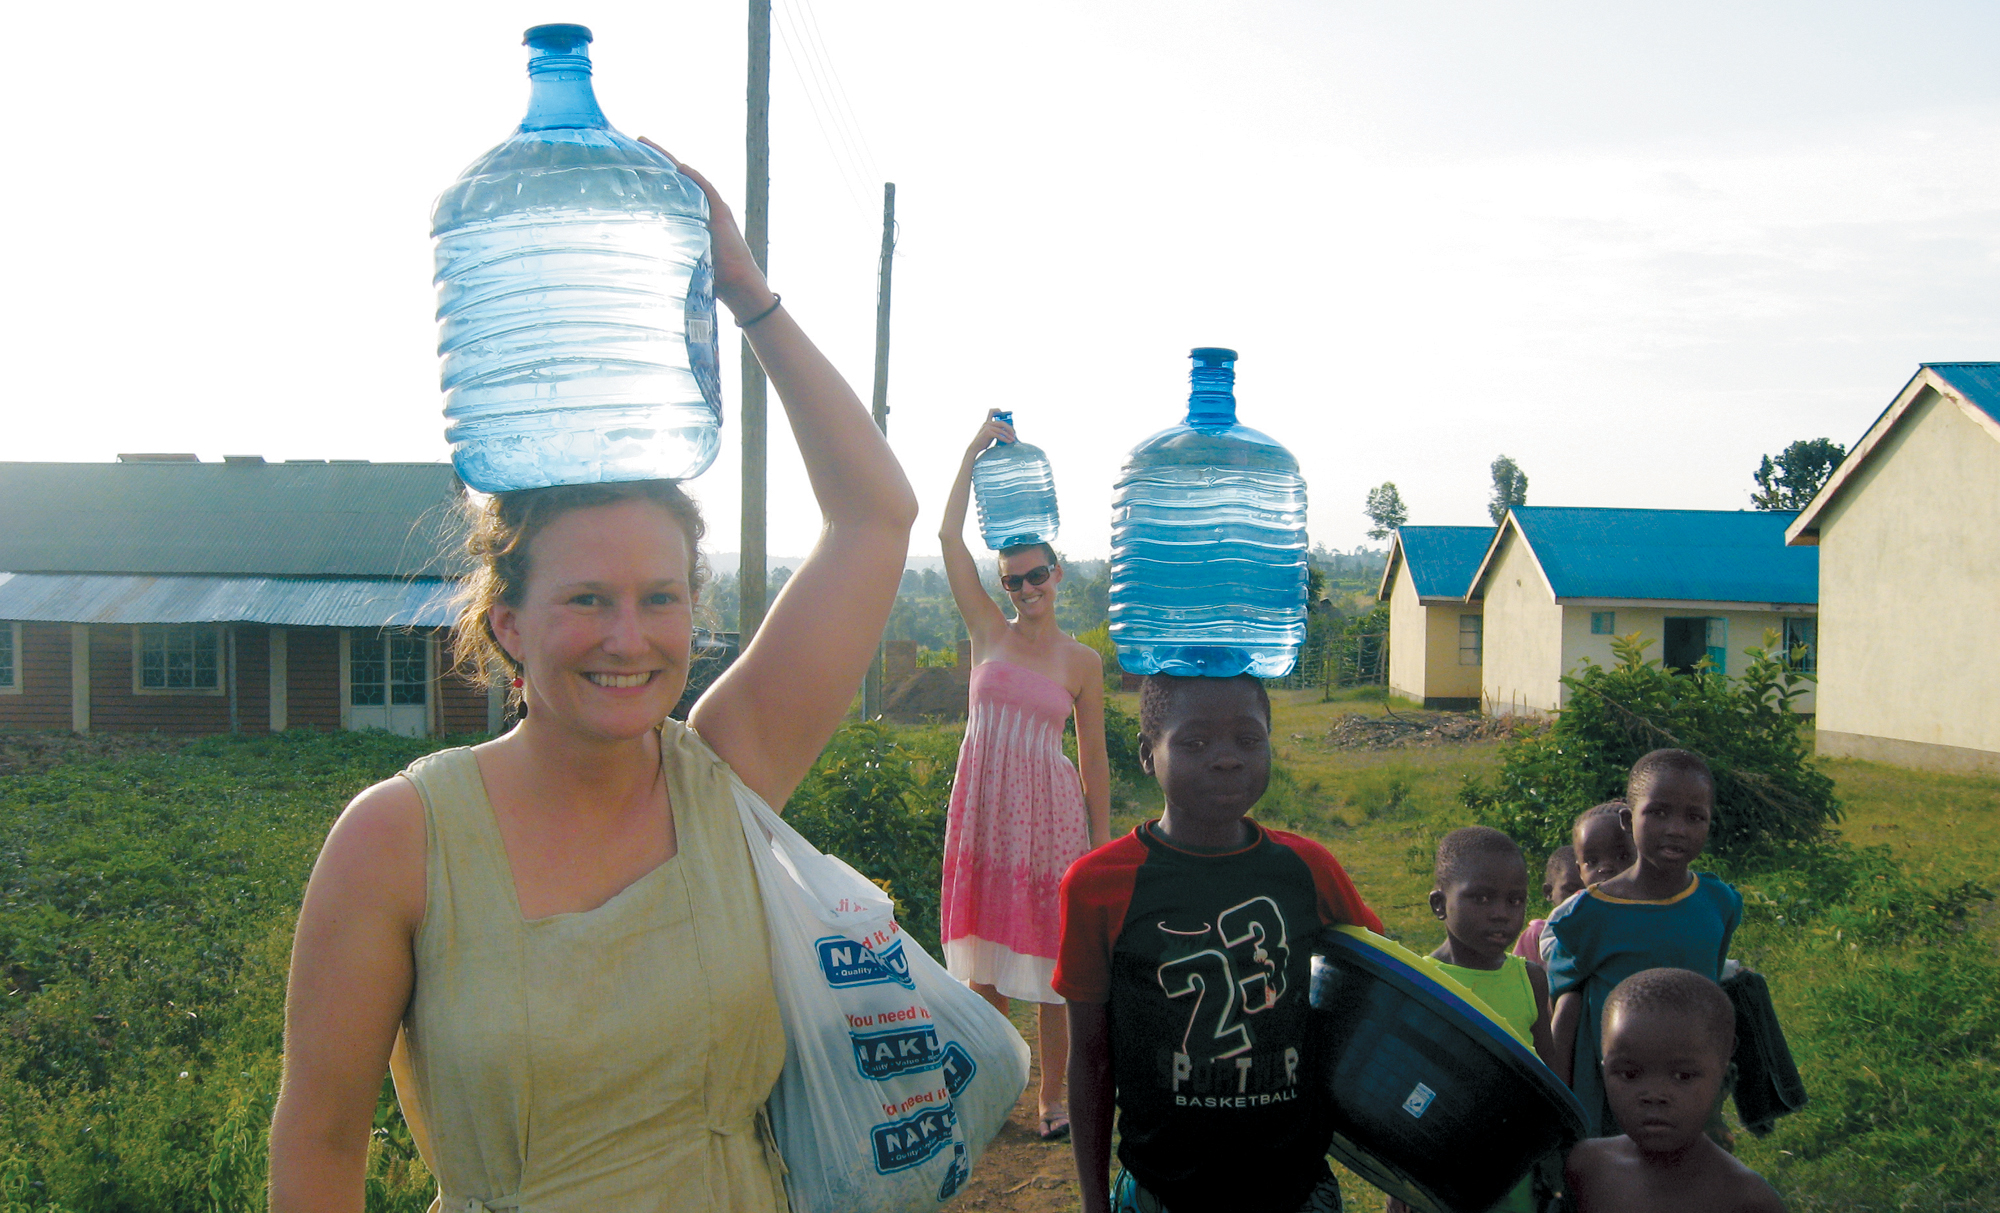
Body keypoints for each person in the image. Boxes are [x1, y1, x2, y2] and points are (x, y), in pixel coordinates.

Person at [267, 148, 919, 1211]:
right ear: (508, 621)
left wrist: (749, 299)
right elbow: (321, 1139)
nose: (630, 637)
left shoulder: (725, 778)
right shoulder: (399, 838)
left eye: (660, 597)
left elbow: (874, 518)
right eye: (587, 600)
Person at [1056, 674, 1382, 1213]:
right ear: (1147, 752)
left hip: (1296, 1189)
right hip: (1163, 1191)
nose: (1227, 759)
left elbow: (1384, 993)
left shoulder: (1308, 868)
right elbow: (1089, 1059)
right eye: (1195, 742)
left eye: (1249, 740)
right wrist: (1094, 1202)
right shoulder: (1098, 886)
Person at [938, 408, 1112, 1141]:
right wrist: (974, 447)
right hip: (985, 808)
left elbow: (1095, 758)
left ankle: (1051, 1099)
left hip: (1050, 820)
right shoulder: (987, 629)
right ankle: (986, 1093)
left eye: (1037, 573)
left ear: (1058, 572)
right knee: (984, 963)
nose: (1026, 586)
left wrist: (1103, 853)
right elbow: (948, 537)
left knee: (1048, 967)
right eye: (1014, 578)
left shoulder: (1083, 663)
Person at [1546, 750, 1743, 1138]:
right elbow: (1566, 1008)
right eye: (1658, 812)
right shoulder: (1588, 916)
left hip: (1692, 1087)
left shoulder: (1719, 902)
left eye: (1694, 817)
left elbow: (1711, 989)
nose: (1676, 829)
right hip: (1613, 1094)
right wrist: (1558, 1102)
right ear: (1627, 820)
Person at [1388, 827, 1556, 1213]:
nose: (1501, 913)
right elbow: (1400, 1089)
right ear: (1439, 904)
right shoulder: (1419, 982)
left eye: (1515, 900)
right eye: (1480, 897)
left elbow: (1550, 1080)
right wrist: (1398, 1185)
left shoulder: (1530, 979)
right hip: (1436, 1161)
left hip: (1511, 1164)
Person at [1564, 968, 1787, 1212]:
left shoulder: (1747, 1201)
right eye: (1629, 1074)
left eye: (1683, 1076)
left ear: (1725, 1081)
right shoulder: (1587, 1167)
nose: (1654, 1095)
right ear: (1604, 1069)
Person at [1514, 843, 1583, 963]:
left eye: (1589, 890)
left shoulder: (1602, 932)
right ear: (1548, 892)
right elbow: (1517, 977)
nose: (1579, 897)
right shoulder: (1536, 936)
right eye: (1571, 890)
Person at [1574, 800, 1637, 889]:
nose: (1605, 869)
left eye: (1622, 857)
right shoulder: (1578, 903)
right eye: (1592, 862)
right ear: (1579, 871)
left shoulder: (1659, 900)